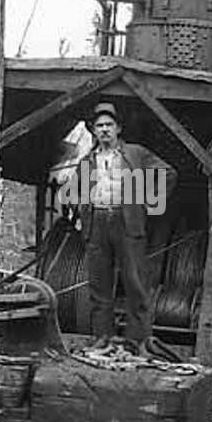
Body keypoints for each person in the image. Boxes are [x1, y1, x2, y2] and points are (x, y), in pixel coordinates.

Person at [76, 102, 177, 354]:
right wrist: (83, 216)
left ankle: (137, 340)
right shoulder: (87, 160)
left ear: (118, 128)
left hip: (127, 222)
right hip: (97, 223)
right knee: (99, 285)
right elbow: (79, 191)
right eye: (99, 126)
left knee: (135, 284)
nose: (104, 130)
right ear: (93, 131)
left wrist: (148, 202)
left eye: (109, 125)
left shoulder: (136, 153)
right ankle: (102, 337)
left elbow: (168, 173)